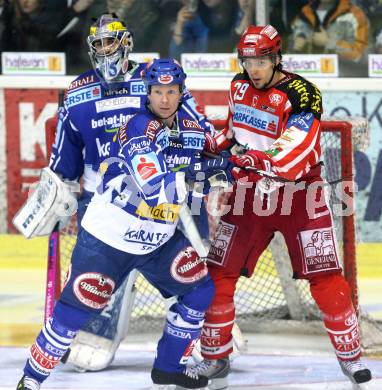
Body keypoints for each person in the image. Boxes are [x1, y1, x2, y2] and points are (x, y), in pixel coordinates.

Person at [16, 58, 236, 389]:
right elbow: (153, 188)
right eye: (157, 91)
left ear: (181, 93)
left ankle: (168, 367)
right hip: (108, 241)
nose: (164, 99)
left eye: (171, 91)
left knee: (199, 291)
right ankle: (31, 379)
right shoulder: (136, 127)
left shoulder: (194, 131)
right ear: (147, 94)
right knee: (74, 313)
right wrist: (203, 175)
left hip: (156, 241)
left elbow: (223, 156)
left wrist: (240, 163)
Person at [192, 24, 373, 389]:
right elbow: (233, 135)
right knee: (218, 272)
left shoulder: (302, 92)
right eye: (248, 60)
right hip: (249, 195)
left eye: (262, 60)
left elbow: (298, 142)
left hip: (301, 195)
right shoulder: (238, 86)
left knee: (325, 279)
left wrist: (261, 160)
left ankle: (351, 357)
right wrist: (212, 144)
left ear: (277, 59)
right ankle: (215, 358)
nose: (254, 68)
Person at [46, 12, 213, 372]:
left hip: (160, 196)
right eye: (99, 44)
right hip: (103, 204)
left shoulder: (154, 80)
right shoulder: (76, 95)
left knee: (189, 268)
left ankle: (195, 334)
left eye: (111, 43)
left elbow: (199, 130)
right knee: (94, 308)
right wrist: (55, 191)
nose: (106, 51)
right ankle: (96, 328)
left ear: (127, 44)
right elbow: (63, 164)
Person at [289, 0, 369, 76]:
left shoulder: (356, 15)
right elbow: (288, 57)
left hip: (343, 83)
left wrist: (329, 42)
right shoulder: (304, 14)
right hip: (308, 81)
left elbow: (362, 57)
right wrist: (296, 46)